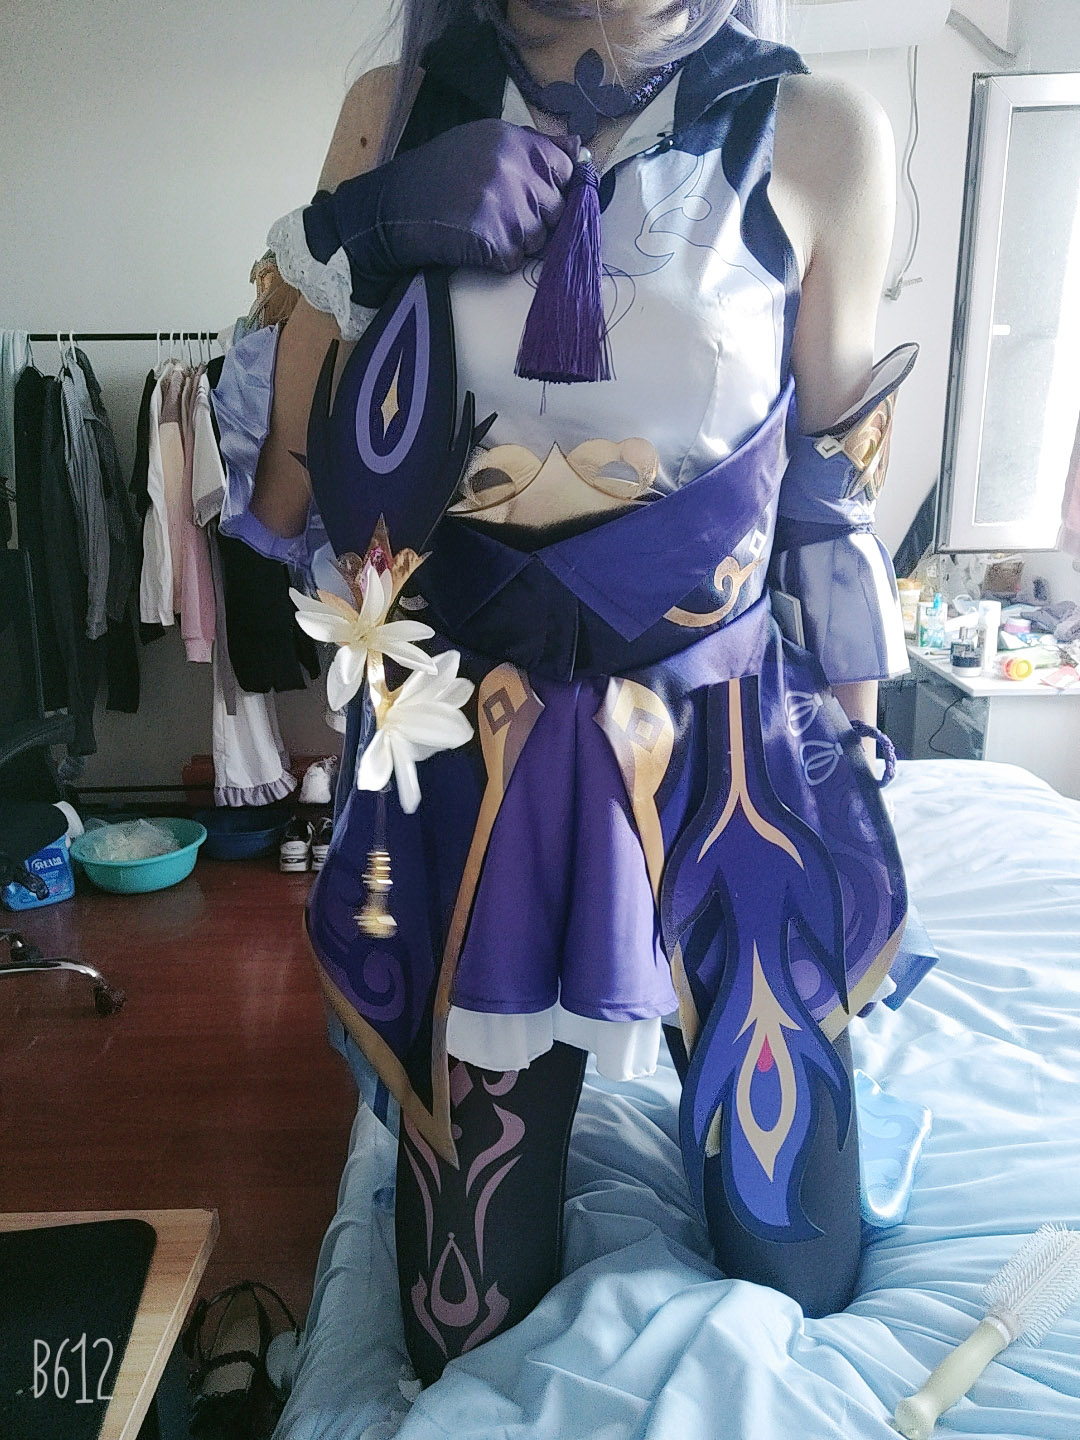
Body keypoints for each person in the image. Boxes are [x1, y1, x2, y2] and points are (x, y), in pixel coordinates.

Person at [214, 0, 919, 1387]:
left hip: (723, 755)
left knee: (802, 1254)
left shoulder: (820, 129)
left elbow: (830, 483)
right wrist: (360, 231)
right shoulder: (396, 106)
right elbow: (288, 492)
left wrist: (856, 753)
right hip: (482, 759)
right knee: (460, 1324)